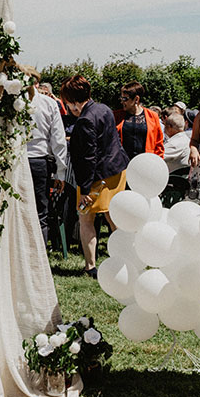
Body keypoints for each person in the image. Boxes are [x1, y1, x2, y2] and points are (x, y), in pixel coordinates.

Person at [61, 75, 129, 278]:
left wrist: (85, 189)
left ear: (73, 102)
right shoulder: (104, 109)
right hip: (117, 170)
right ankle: (125, 258)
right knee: (113, 217)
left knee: (86, 218)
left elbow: (88, 158)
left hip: (96, 178)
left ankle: (90, 265)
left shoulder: (85, 120)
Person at [27, 82, 69, 247]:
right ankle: (39, 256)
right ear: (36, 83)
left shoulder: (9, 104)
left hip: (19, 161)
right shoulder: (49, 103)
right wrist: (60, 171)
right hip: (39, 160)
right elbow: (58, 140)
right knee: (40, 213)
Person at [116, 82, 164, 160]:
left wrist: (158, 162)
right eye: (121, 98)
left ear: (136, 99)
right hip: (122, 163)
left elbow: (159, 144)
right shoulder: (116, 116)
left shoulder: (152, 116)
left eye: (125, 99)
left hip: (145, 163)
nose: (122, 102)